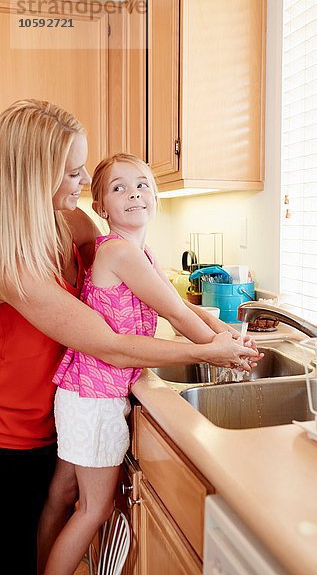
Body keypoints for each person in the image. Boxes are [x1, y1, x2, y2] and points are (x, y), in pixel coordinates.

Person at [0, 99, 259, 575]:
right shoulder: (12, 261)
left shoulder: (73, 223)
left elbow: (155, 293)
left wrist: (218, 327)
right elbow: (109, 343)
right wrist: (209, 348)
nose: (80, 184)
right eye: (73, 173)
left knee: (60, 500)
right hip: (11, 429)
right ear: (35, 176)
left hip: (64, 397)